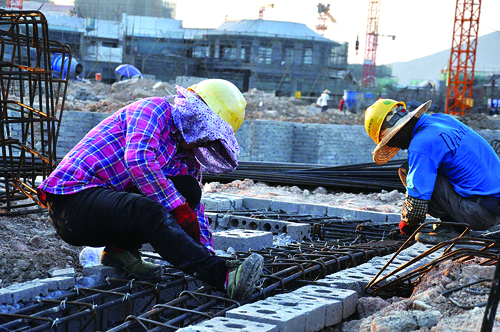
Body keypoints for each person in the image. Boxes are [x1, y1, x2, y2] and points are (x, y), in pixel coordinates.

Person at [37, 79, 264, 301]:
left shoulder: (187, 158)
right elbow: (139, 160)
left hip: (111, 207)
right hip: (72, 204)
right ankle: (222, 276)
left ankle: (119, 251)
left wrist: (204, 248)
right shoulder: (153, 110)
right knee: (150, 209)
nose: (203, 140)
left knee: (189, 190)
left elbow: (194, 211)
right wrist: (178, 208)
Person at [364, 99, 500, 244]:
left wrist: (407, 224)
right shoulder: (443, 120)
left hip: (479, 214)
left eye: (390, 142)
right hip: (493, 207)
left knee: (408, 169)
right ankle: (454, 226)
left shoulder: (421, 143)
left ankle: (452, 230)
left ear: (397, 132)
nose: (400, 148)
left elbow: (417, 199)